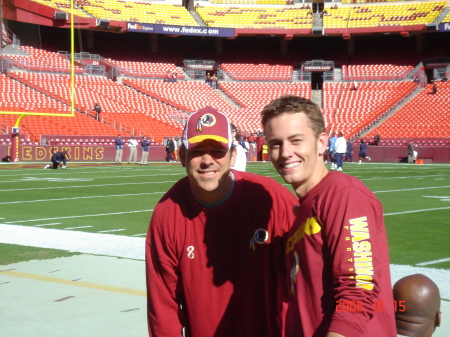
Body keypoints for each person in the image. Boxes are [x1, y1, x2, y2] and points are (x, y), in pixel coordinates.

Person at [145, 106, 298, 337]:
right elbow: (163, 308)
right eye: (198, 151)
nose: (207, 160)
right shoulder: (167, 213)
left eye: (217, 150)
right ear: (182, 156)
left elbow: (309, 279)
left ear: (233, 156)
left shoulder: (273, 199)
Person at [261, 95, 397, 337]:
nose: (285, 153)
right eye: (276, 144)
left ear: (322, 143)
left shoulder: (343, 194)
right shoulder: (303, 208)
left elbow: (358, 289)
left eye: (296, 141)